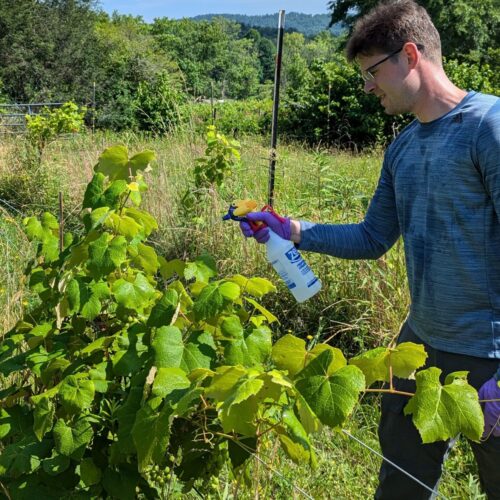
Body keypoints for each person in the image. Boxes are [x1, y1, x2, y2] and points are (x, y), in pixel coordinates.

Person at [239, 0, 500, 498]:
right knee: (399, 486)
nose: (367, 87)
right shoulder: (401, 149)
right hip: (418, 348)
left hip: (490, 361)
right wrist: (289, 228)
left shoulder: (488, 128)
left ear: (410, 55)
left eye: (372, 72)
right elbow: (372, 238)